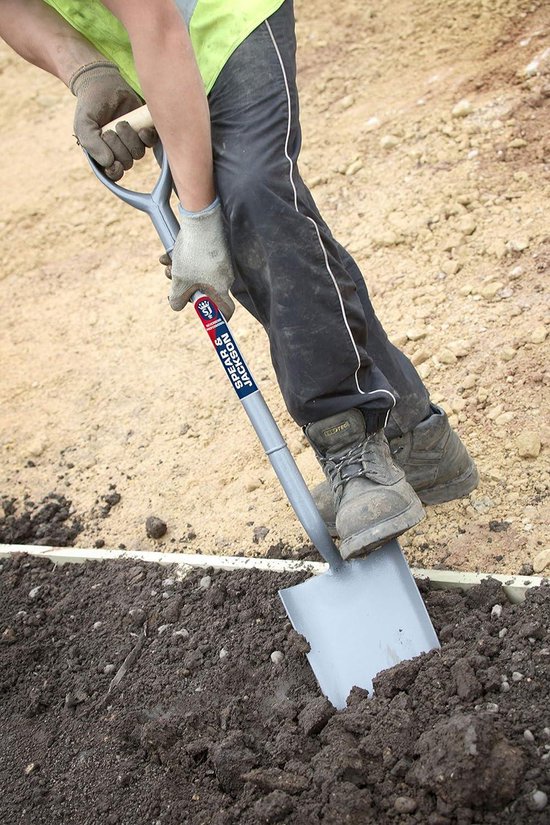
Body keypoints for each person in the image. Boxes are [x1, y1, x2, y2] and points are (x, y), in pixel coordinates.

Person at [0, 0, 478, 560]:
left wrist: (199, 220)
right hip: (158, 53)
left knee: (255, 200)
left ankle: (351, 446)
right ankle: (417, 438)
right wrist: (85, 68)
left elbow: (155, 18)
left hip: (221, 16)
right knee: (254, 246)